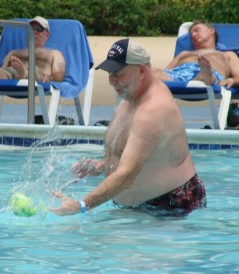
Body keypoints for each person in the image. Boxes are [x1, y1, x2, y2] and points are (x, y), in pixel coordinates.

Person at [49, 38, 207, 216]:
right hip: (144, 206)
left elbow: (127, 176)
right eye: (110, 73)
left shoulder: (153, 110)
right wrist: (101, 166)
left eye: (118, 73)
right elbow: (139, 154)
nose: (112, 81)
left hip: (171, 207)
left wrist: (80, 205)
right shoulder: (131, 95)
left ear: (141, 70)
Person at [0, 16, 65, 83]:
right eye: (31, 29)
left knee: (30, 72)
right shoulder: (14, 53)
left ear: (47, 35)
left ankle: (23, 74)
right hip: (12, 74)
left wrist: (46, 79)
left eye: (39, 29)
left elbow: (59, 75)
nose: (34, 32)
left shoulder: (54, 54)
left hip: (37, 75)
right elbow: (1, 71)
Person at [152, 21, 239, 88]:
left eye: (197, 30)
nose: (193, 35)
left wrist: (231, 80)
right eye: (191, 34)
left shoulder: (227, 55)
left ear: (211, 31)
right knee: (153, 71)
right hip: (180, 75)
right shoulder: (184, 54)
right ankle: (202, 76)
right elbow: (167, 71)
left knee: (204, 75)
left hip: (211, 74)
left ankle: (205, 73)